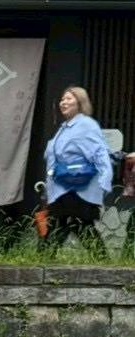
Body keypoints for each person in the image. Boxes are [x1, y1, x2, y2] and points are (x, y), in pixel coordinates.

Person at [41, 85, 114, 248]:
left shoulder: (85, 125)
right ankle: (100, 260)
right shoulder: (64, 128)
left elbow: (100, 154)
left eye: (68, 98)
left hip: (78, 188)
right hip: (62, 188)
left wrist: (104, 182)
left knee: (69, 225)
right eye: (62, 99)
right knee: (71, 226)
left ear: (80, 103)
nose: (63, 102)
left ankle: (42, 257)